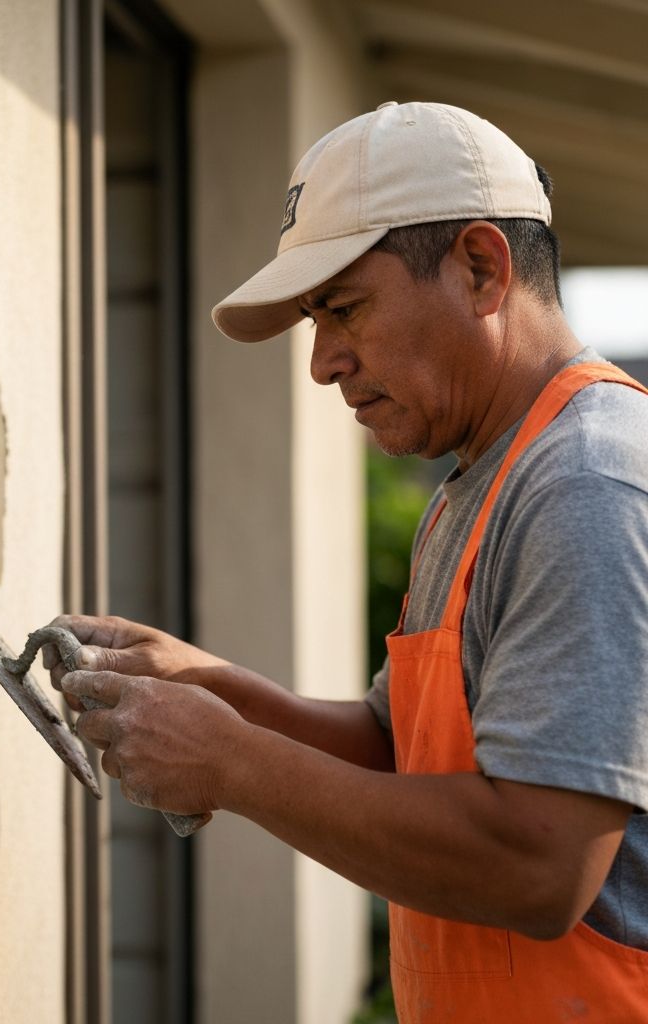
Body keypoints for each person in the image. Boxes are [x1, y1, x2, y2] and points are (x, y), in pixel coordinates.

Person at [44, 101, 648, 1021]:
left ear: (481, 269)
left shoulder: (585, 483)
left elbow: (540, 864)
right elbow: (396, 749)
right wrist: (208, 685)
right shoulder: (480, 483)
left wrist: (230, 762)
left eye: (344, 308)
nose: (323, 362)